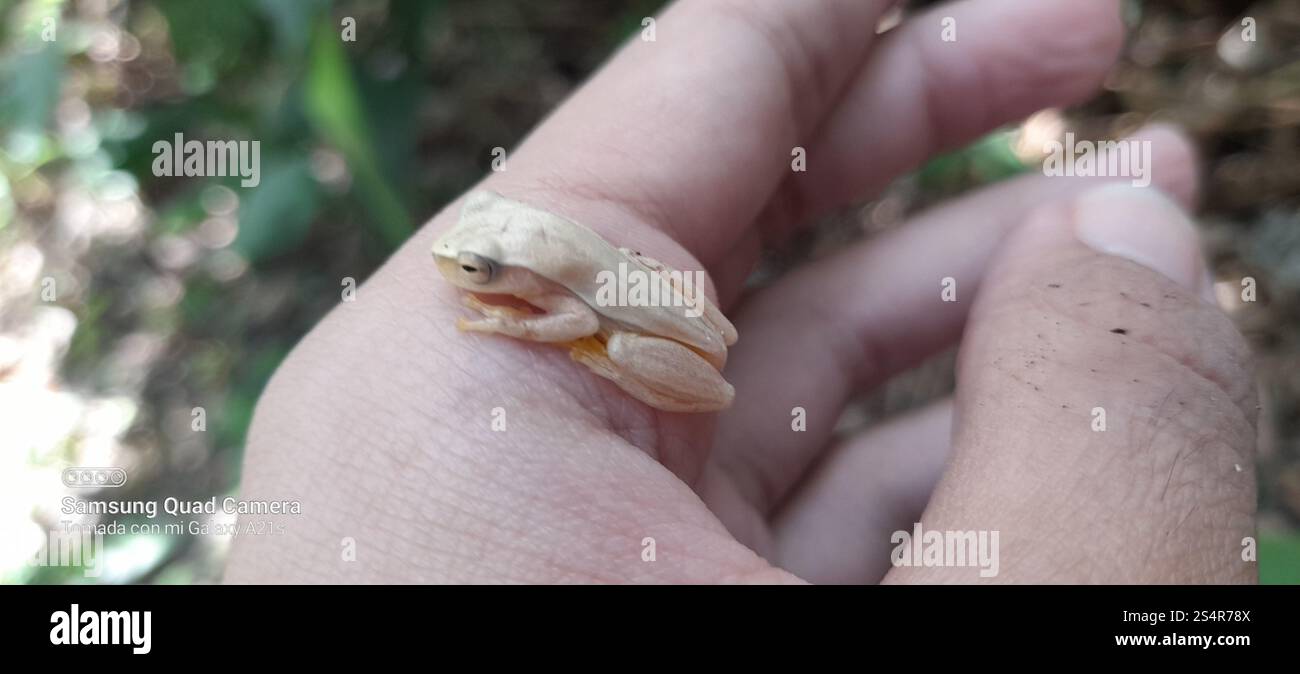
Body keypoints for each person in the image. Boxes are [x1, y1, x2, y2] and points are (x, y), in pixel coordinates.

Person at [225, 0, 1255, 583]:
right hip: (655, 304)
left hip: (648, 332)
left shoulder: (552, 278)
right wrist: (516, 295)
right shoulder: (538, 242)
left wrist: (529, 320)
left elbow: (578, 314)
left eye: (484, 270)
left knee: (608, 334)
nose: (469, 277)